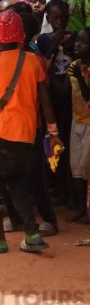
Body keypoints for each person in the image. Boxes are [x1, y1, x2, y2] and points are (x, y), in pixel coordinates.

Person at [0, 10, 61, 254]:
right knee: (16, 181)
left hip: (3, 133)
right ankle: (32, 234)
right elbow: (45, 100)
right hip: (29, 134)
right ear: (20, 36)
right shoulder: (33, 61)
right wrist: (53, 132)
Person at [67, 28, 90, 224]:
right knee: (75, 166)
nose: (77, 45)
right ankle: (80, 207)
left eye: (83, 42)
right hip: (76, 120)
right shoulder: (74, 66)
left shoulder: (79, 70)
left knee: (86, 166)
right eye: (77, 41)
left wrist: (81, 78)